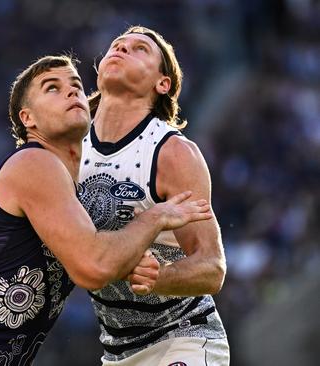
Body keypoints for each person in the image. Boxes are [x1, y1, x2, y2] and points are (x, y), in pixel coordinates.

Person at [0, 55, 212, 365]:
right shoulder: (34, 163)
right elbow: (94, 266)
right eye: (52, 87)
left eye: (76, 85)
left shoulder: (69, 186)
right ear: (28, 118)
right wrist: (155, 217)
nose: (71, 92)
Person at [79, 25, 229, 365]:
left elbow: (213, 267)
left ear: (163, 84)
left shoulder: (173, 153)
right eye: (117, 45)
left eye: (139, 49)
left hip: (183, 337)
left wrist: (161, 277)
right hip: (115, 352)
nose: (121, 49)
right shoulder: (69, 146)